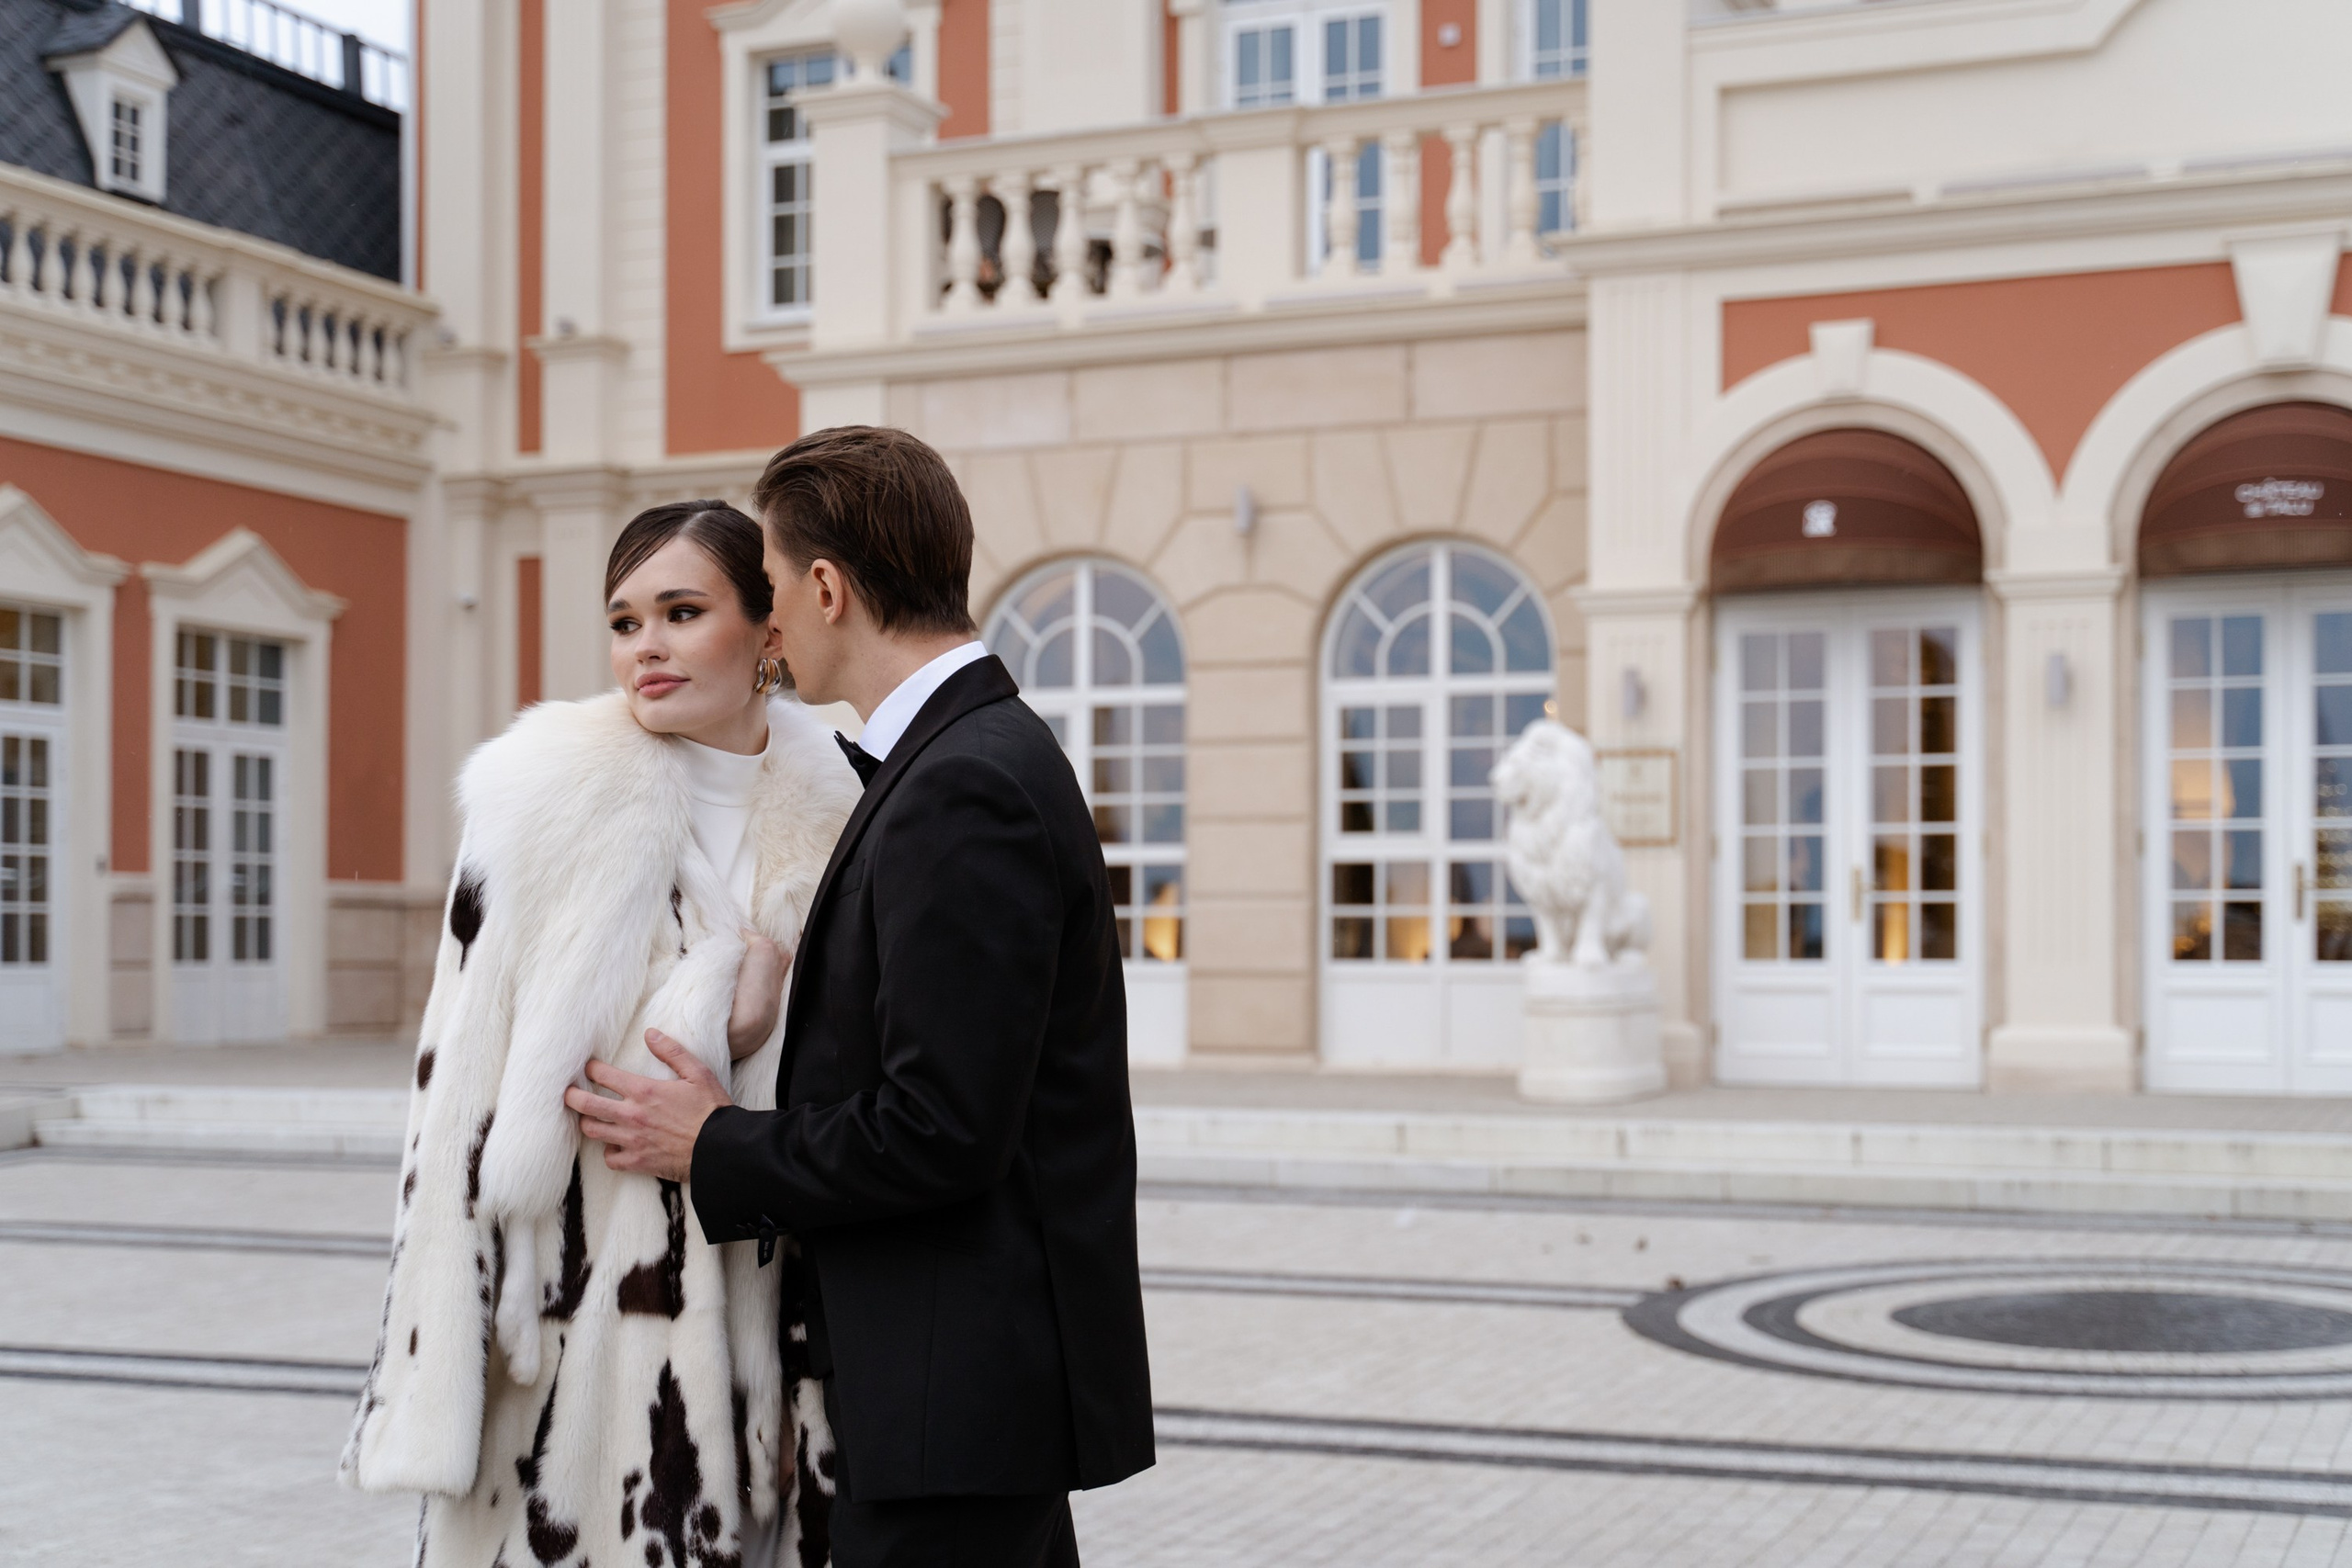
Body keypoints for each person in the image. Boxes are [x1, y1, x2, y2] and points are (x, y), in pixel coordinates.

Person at [567, 426, 1157, 1568]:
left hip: (957, 1403)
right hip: (973, 1397)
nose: (770, 619)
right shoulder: (963, 755)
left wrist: (716, 1144)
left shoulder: (961, 784)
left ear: (828, 589)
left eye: (774, 586)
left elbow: (940, 1129)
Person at [340, 502, 862, 1568]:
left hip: (784, 1344)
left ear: (768, 630)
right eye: (625, 622)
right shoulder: (541, 801)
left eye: (681, 612)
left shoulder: (853, 812)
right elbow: (455, 1095)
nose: (646, 647)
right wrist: (722, 1016)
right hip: (569, 1354)